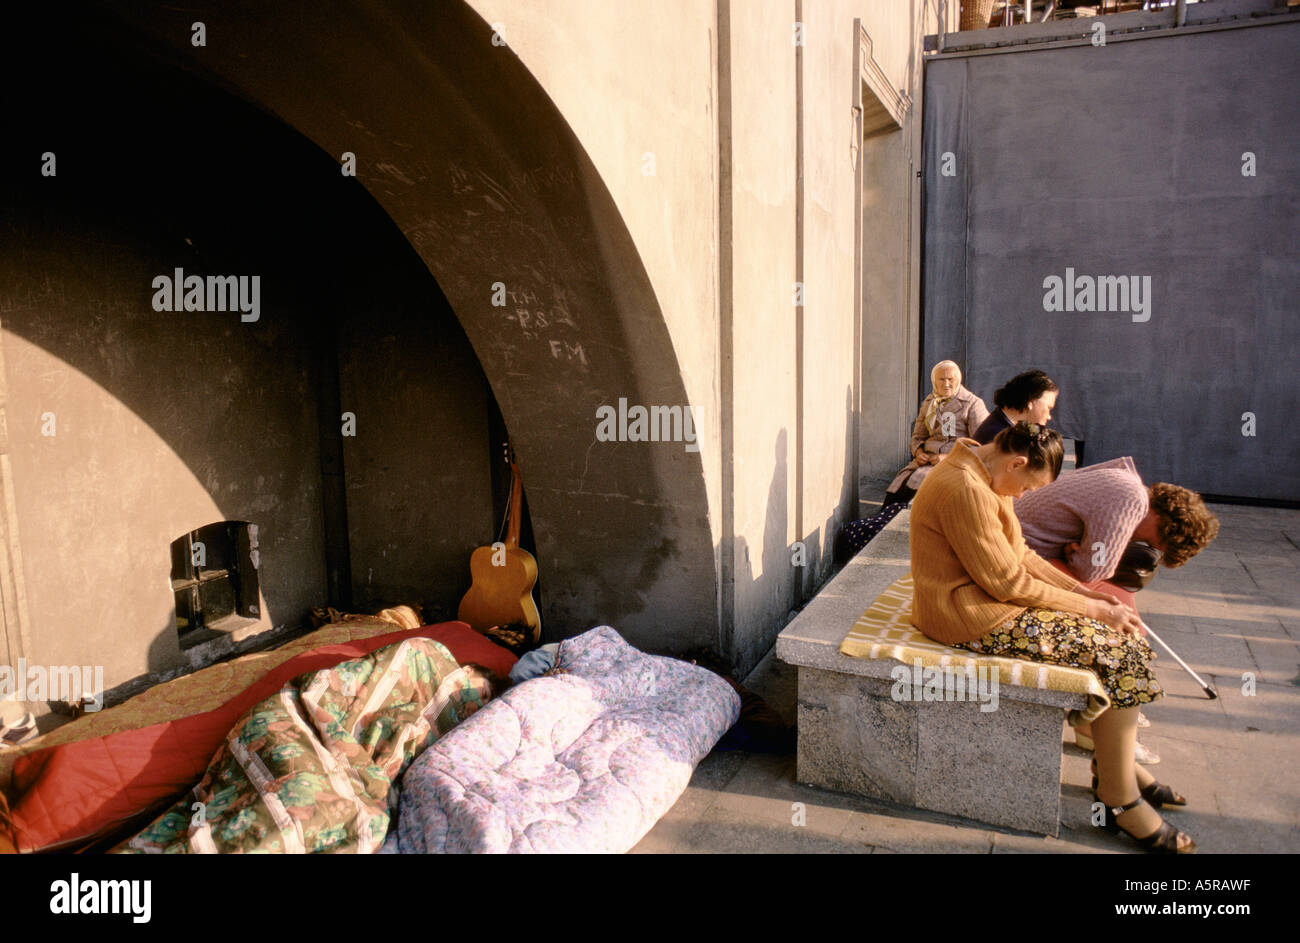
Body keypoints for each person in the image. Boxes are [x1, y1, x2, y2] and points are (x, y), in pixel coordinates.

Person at [908, 422, 1194, 853]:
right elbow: (1006, 581)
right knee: (1121, 654)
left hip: (987, 602)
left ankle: (1113, 766)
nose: (1024, 496)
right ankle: (1119, 796)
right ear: (1017, 461)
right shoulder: (966, 487)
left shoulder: (983, 472)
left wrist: (1083, 593)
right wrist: (1094, 607)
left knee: (1126, 641)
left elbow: (1020, 555)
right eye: (1028, 487)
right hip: (965, 614)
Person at [1015, 461, 1220, 763]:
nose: (1143, 544)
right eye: (1153, 542)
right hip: (1025, 553)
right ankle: (1100, 725)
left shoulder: (1130, 484)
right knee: (1127, 628)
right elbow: (1091, 569)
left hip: (1031, 546)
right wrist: (1081, 557)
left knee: (1125, 609)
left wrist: (1080, 553)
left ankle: (1110, 713)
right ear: (1164, 523)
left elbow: (1088, 559)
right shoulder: (1130, 500)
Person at [838, 360, 987, 559]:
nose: (946, 384)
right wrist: (918, 452)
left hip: (954, 464)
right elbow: (918, 435)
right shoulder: (930, 403)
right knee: (900, 487)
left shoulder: (972, 404)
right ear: (934, 381)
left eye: (951, 379)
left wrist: (946, 457)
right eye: (941, 380)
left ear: (958, 380)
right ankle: (876, 535)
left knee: (920, 490)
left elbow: (980, 444)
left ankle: (886, 535)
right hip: (925, 461)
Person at [972, 369, 1058, 445]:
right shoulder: (1001, 438)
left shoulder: (1000, 424)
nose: (1049, 417)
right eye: (1048, 408)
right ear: (1030, 403)